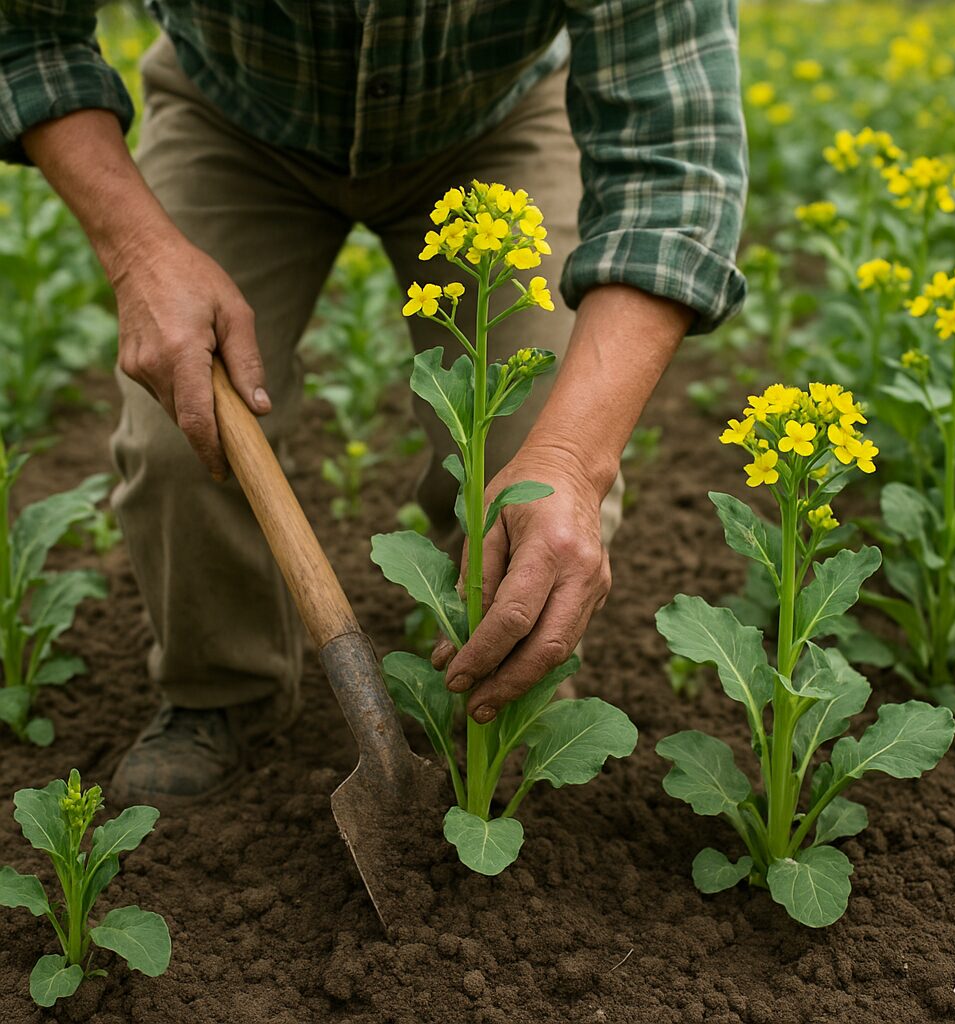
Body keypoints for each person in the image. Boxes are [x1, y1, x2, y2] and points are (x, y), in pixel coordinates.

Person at [0, 0, 747, 806]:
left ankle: (503, 699)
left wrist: (571, 459)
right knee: (181, 435)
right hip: (236, 111)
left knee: (533, 465)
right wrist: (140, 252)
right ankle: (222, 692)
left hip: (491, 117)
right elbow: (25, 29)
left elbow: (676, 162)